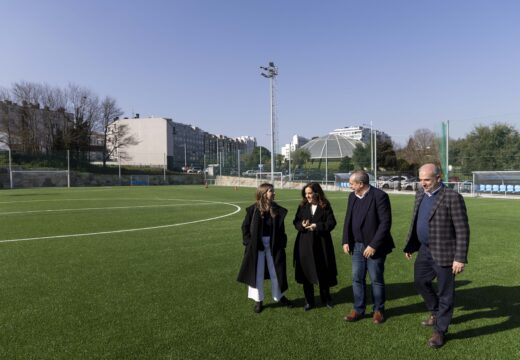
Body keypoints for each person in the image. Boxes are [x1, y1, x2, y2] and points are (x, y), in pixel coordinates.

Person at [404, 163, 469, 349]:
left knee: (445, 293)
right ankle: (435, 311)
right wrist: (411, 245)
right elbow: (416, 221)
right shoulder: (420, 194)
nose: (423, 183)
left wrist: (460, 257)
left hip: (446, 253)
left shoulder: (452, 197)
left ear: (438, 178)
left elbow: (462, 230)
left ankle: (440, 331)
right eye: (421, 179)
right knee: (419, 282)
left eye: (427, 180)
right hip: (425, 250)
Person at [342, 170, 394, 324]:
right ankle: (358, 309)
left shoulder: (380, 196)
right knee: (357, 278)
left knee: (376, 279)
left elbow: (385, 223)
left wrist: (373, 245)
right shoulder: (352, 197)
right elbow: (348, 220)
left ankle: (378, 310)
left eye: (352, 183)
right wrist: (346, 240)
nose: (350, 186)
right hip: (357, 246)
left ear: (360, 184)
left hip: (374, 247)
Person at [237, 183, 293, 313]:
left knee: (276, 272)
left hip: (274, 245)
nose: (274, 193)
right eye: (271, 191)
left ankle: (280, 297)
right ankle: (258, 300)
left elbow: (281, 229)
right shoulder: (253, 209)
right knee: (258, 272)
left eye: (273, 191)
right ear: (263, 193)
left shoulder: (276, 209)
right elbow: (245, 227)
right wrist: (249, 243)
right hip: (257, 246)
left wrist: (282, 242)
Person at [293, 182, 338, 311]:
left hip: (322, 243)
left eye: (310, 193)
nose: (307, 196)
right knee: (306, 271)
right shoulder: (302, 206)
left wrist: (317, 226)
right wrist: (302, 225)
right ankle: (309, 301)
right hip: (305, 243)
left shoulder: (325, 205)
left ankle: (326, 298)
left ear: (317, 193)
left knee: (323, 270)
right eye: (306, 194)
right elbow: (295, 221)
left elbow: (331, 222)